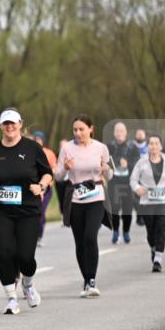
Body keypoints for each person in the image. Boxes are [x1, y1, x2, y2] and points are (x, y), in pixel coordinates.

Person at [0, 108, 52, 314]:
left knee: (25, 257)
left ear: (20, 124)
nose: (9, 127)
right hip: (1, 211)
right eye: (6, 123)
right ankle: (11, 298)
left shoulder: (32, 148)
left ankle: (28, 284)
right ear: (0, 126)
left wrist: (41, 186)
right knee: (4, 254)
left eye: (13, 123)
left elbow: (47, 173)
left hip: (28, 210)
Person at [55, 114, 112, 298]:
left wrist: (106, 170)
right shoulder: (66, 148)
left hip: (96, 196)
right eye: (75, 130)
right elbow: (57, 176)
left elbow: (109, 175)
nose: (78, 133)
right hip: (75, 199)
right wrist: (65, 167)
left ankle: (92, 280)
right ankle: (86, 280)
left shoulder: (101, 148)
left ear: (91, 129)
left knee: (90, 236)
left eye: (81, 129)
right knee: (80, 242)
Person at [130, 135, 165, 272]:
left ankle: (158, 259)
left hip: (163, 201)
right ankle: (153, 248)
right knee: (151, 232)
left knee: (161, 229)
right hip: (147, 202)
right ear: (148, 146)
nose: (154, 146)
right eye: (151, 144)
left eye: (156, 143)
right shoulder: (141, 162)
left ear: (161, 146)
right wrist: (138, 188)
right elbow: (133, 180)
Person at [108, 122, 137, 244]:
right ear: (114, 133)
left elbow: (138, 163)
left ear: (126, 133)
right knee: (114, 207)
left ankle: (126, 231)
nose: (119, 133)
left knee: (127, 209)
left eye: (122, 131)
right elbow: (105, 161)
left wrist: (128, 164)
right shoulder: (109, 146)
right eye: (117, 131)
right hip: (114, 181)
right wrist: (116, 162)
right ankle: (115, 231)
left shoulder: (132, 147)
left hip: (128, 181)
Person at [32, 131, 57, 247]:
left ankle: (39, 236)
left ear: (43, 140)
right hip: (32, 188)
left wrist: (46, 176)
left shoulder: (49, 153)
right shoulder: (29, 152)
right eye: (35, 139)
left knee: (40, 212)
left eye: (39, 139)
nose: (37, 141)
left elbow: (54, 169)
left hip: (46, 188)